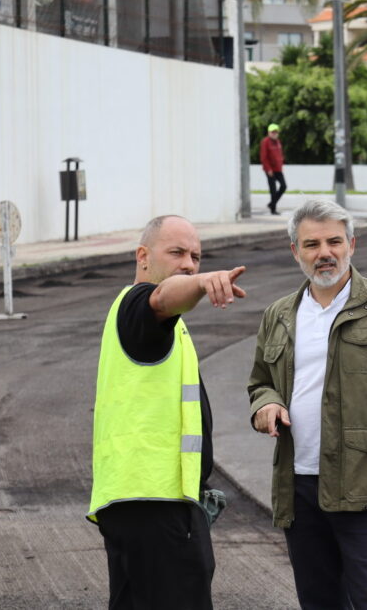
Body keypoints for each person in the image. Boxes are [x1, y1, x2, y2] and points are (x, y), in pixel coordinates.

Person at [247, 199, 367, 610]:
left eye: (334, 241)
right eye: (311, 244)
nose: (324, 253)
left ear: (352, 245)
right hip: (299, 486)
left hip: (364, 487)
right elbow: (260, 382)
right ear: (296, 251)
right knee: (319, 601)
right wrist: (266, 405)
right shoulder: (279, 315)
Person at [88, 215, 247, 610]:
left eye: (195, 257)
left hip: (136, 502)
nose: (189, 264)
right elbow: (163, 297)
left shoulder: (159, 325)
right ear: (143, 256)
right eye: (176, 253)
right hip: (156, 503)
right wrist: (199, 283)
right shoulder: (138, 307)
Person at [261, 123, 287, 215]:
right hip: (270, 170)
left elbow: (280, 155)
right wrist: (268, 169)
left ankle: (272, 203)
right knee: (273, 189)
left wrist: (281, 164)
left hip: (278, 169)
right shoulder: (265, 142)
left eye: (276, 132)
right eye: (272, 132)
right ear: (269, 132)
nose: (274, 134)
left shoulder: (278, 142)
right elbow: (264, 157)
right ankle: (273, 209)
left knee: (283, 186)